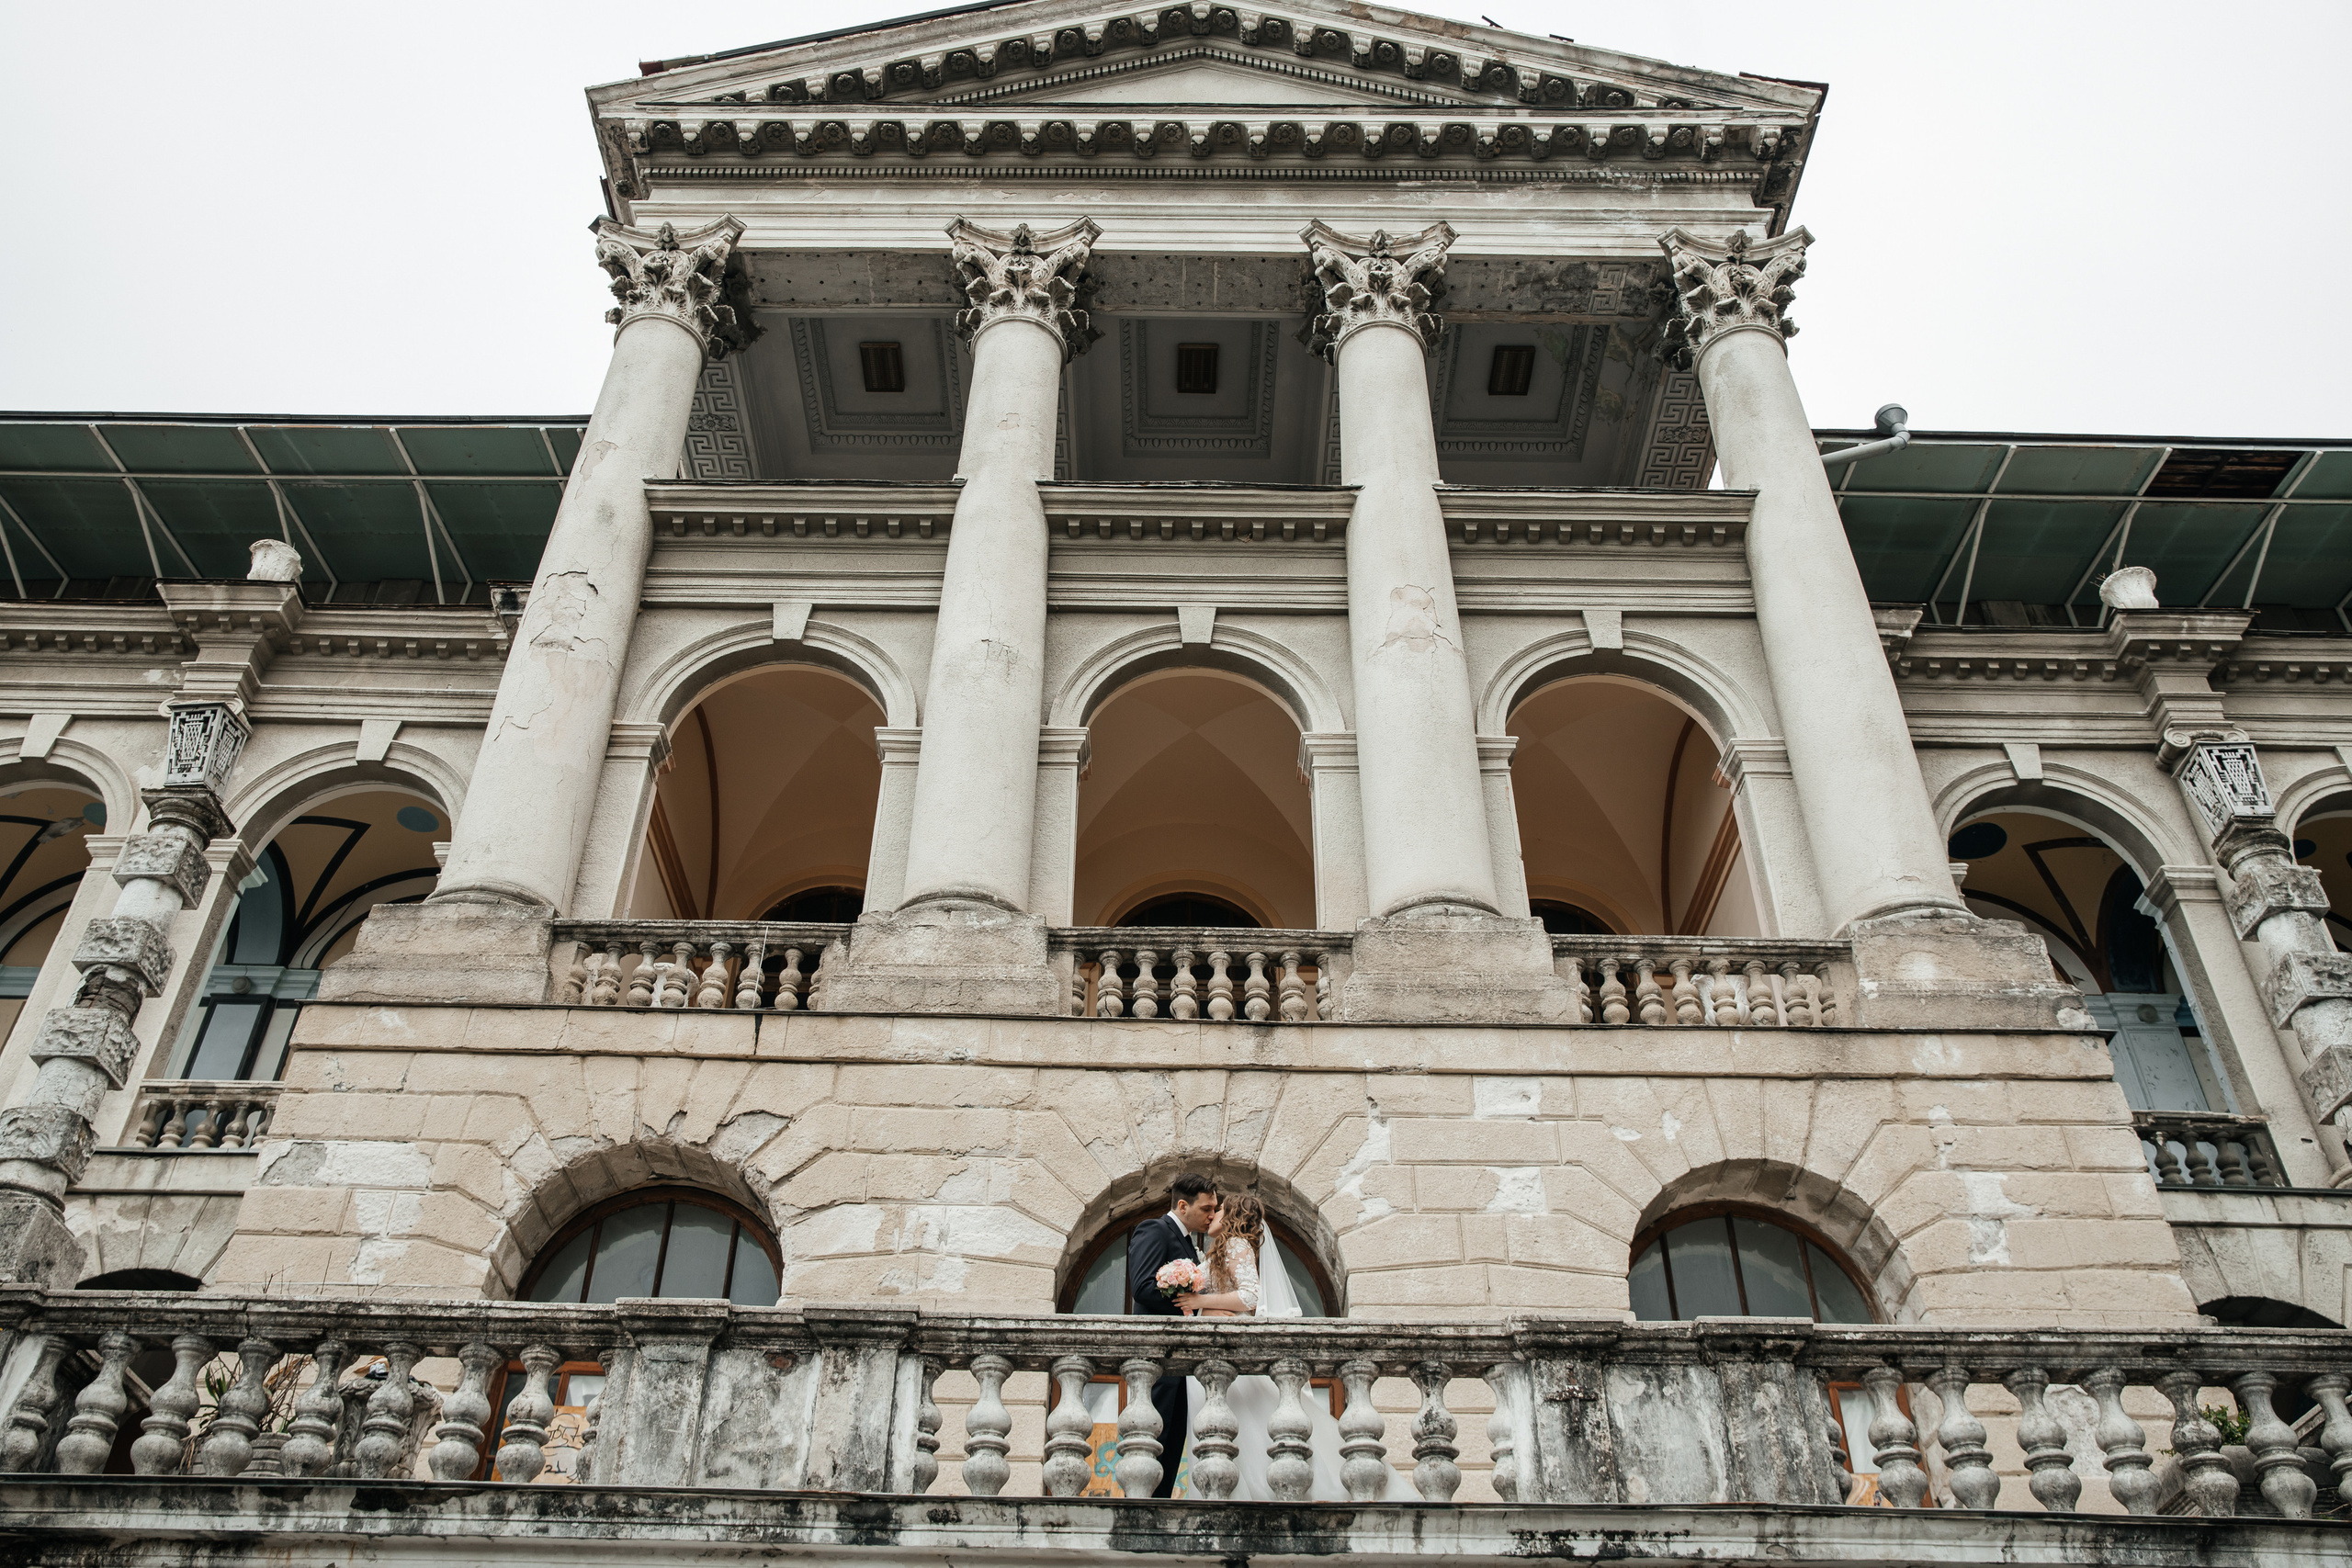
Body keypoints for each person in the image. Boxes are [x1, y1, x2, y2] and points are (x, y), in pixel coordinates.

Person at [1168, 1192, 1418, 1502]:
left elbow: (1249, 1298)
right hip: (1211, 1352)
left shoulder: (1235, 1245)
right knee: (1234, 1424)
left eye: (1219, 1210)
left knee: (1247, 1422)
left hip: (1229, 1353)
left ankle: (1257, 1491)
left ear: (1231, 1217)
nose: (1212, 1216)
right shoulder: (1216, 1252)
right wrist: (1203, 1309)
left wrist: (1200, 1301)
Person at [1125, 1173, 1219, 1498]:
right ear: (1182, 1205)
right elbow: (1143, 1287)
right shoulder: (1155, 1230)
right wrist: (1190, 1301)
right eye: (1207, 1208)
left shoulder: (1191, 1244)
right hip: (1158, 1359)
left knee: (1174, 1440)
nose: (1212, 1216)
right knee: (1155, 1441)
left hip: (1181, 1364)